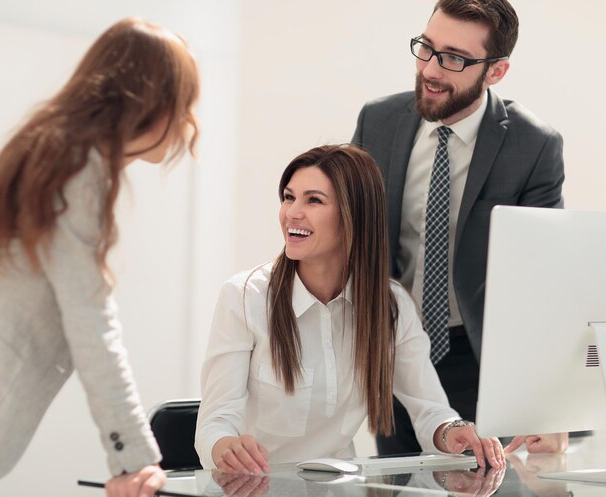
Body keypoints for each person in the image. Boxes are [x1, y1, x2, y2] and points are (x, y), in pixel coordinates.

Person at [0, 17, 200, 497]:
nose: (189, 124)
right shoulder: (77, 169)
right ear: (148, 101)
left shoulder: (53, 152)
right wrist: (134, 460)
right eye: (183, 105)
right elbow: (90, 321)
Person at [195, 144, 505, 475]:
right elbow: (215, 423)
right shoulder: (245, 297)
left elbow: (430, 409)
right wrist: (225, 447)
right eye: (288, 197)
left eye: (313, 200)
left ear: (353, 214)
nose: (292, 213)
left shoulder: (390, 305)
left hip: (338, 486)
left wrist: (452, 431)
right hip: (254, 487)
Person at [351, 0, 566, 456]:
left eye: (453, 58)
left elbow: (547, 278)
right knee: (399, 480)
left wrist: (549, 405)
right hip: (394, 350)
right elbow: (346, 231)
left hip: (479, 357)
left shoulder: (533, 145)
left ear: (496, 71)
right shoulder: (378, 121)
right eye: (426, 48)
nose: (430, 69)